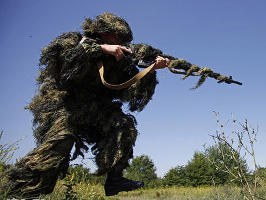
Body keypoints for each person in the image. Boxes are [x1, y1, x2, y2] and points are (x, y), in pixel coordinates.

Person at [5, 12, 169, 198]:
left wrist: (151, 70)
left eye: (123, 39)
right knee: (59, 143)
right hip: (63, 105)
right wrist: (100, 49)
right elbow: (65, 71)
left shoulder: (120, 61)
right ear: (100, 31)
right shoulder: (74, 40)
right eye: (116, 37)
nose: (120, 42)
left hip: (94, 110)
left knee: (123, 126)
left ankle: (115, 179)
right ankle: (17, 191)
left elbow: (133, 99)